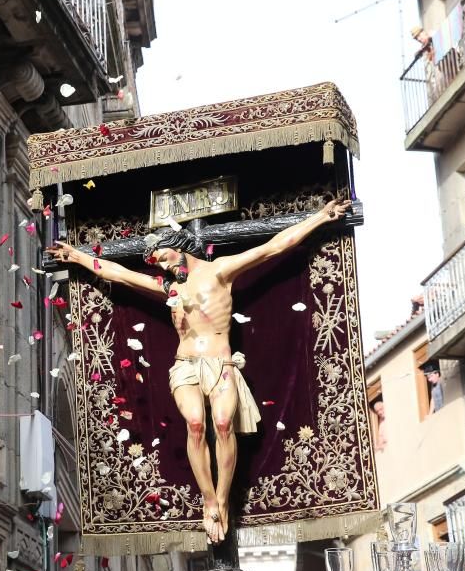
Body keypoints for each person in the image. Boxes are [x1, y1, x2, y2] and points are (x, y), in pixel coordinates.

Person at [48, 199, 352, 543]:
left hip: (220, 365)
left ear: (180, 248)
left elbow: (273, 246)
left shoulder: (219, 271)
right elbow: (119, 273)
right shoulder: (170, 289)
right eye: (158, 261)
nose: (161, 266)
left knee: (223, 425)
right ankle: (208, 500)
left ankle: (222, 498)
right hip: (185, 366)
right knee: (195, 424)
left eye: (164, 257)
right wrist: (76, 256)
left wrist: (319, 218)